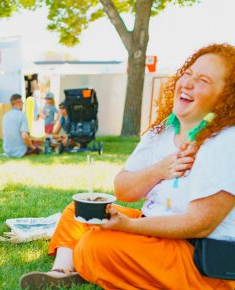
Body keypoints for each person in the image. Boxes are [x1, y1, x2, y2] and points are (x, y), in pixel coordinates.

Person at [20, 43, 235, 289]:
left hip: (197, 257)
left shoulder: (227, 140)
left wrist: (130, 226)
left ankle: (95, 264)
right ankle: (63, 271)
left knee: (94, 245)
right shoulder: (163, 130)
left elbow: (199, 224)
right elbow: (123, 189)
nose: (187, 83)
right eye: (188, 74)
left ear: (226, 97)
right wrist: (160, 169)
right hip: (152, 227)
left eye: (203, 80)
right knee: (79, 212)